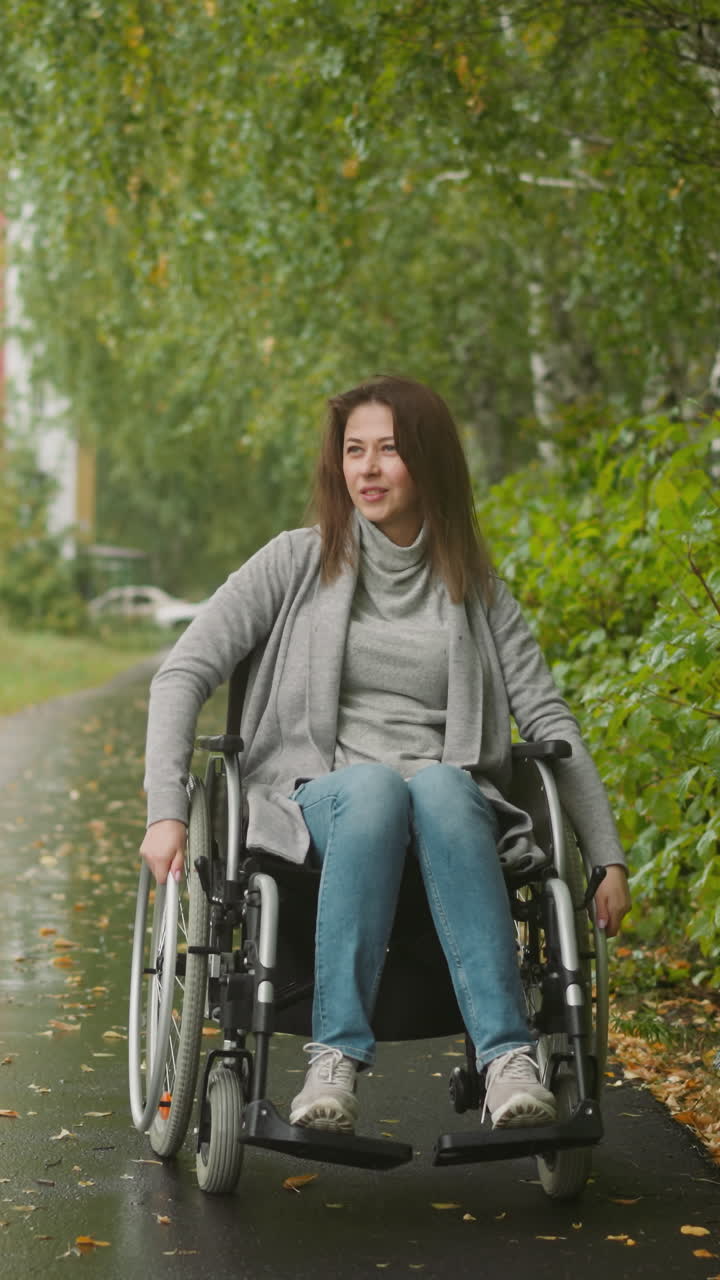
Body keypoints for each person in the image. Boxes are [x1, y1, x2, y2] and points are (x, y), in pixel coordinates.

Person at [140, 374, 631, 1135]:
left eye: (389, 450)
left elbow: (547, 718)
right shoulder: (294, 562)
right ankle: (333, 1060)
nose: (367, 469)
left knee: (440, 786)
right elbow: (183, 673)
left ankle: (509, 1061)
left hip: (448, 806)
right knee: (374, 788)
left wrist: (606, 855)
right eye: (353, 450)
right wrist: (167, 810)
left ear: (429, 462)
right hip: (323, 799)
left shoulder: (478, 591)